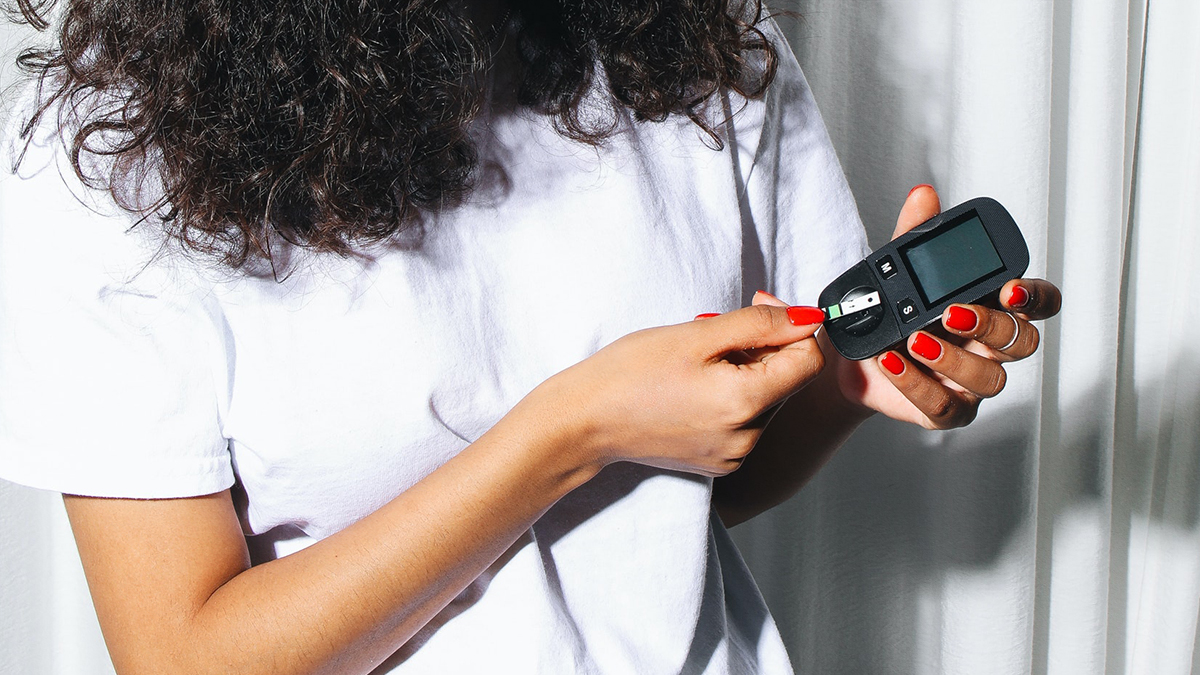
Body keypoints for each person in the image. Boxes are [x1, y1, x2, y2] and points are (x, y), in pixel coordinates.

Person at [0, 1, 1061, 673]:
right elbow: (183, 657)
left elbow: (677, 504)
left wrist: (838, 393)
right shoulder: (110, 167)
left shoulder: (696, 42)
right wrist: (569, 432)